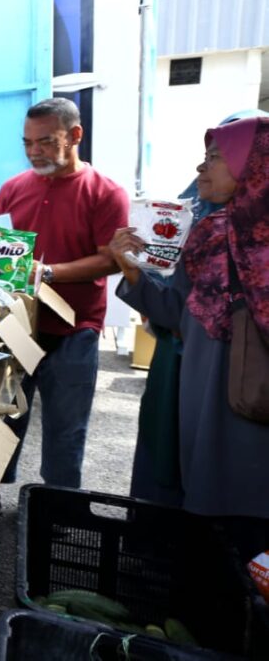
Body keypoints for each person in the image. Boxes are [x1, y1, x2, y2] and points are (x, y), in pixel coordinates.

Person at [0, 97, 129, 517]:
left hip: (76, 327)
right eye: (28, 142)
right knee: (1, 413)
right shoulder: (14, 188)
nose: (35, 151)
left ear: (75, 136)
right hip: (15, 325)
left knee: (66, 425)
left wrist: (47, 272)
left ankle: (62, 507)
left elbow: (110, 259)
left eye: (46, 142)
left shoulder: (106, 192)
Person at [110, 116, 269, 558]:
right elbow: (175, 312)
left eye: (215, 159)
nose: (201, 170)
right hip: (201, 398)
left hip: (252, 405)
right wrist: (130, 271)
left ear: (255, 165)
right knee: (210, 516)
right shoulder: (207, 235)